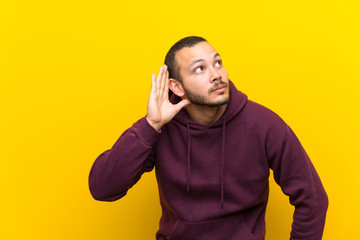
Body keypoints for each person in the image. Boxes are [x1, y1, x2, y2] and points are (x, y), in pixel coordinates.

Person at [88, 36, 328, 240]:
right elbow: (103, 188)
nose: (216, 75)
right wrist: (150, 126)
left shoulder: (265, 125)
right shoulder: (160, 128)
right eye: (200, 69)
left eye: (218, 63)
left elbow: (313, 200)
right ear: (177, 87)